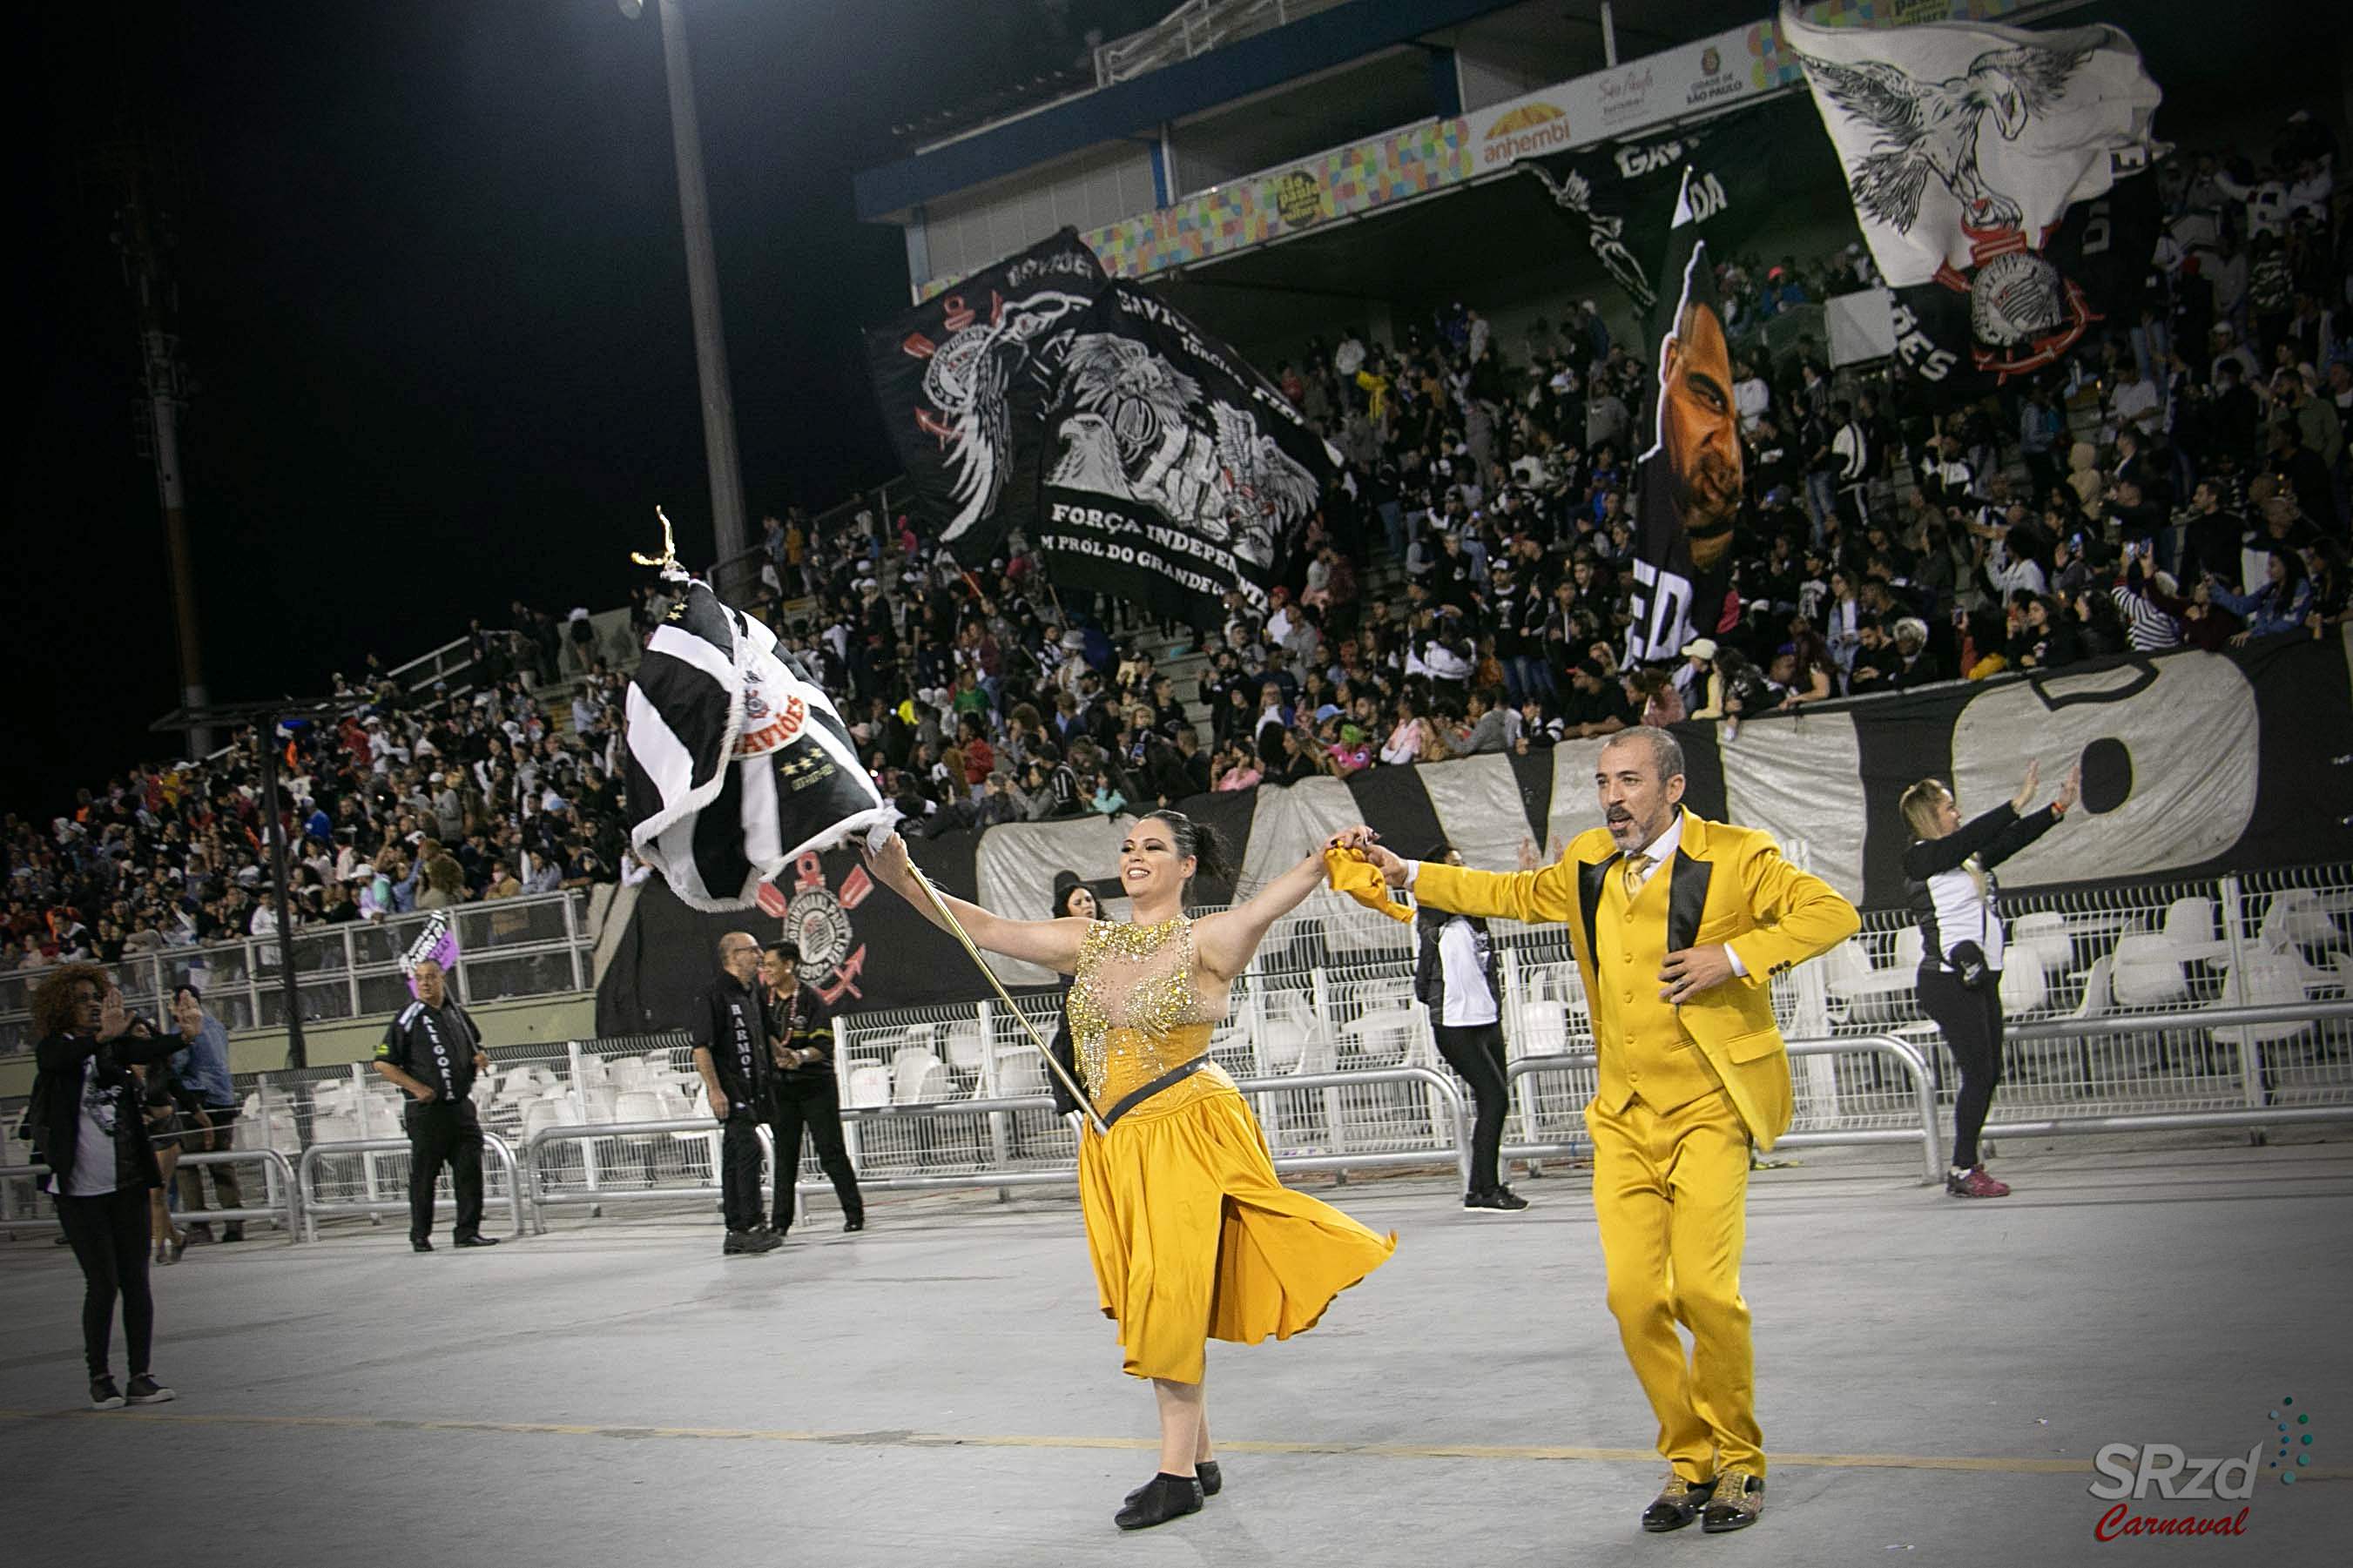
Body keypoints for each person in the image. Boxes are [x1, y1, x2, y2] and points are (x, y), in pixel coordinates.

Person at [1332, 727, 1858, 1536]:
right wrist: (1408, 872)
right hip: (1622, 1116)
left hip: (1709, 1108)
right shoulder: (1584, 863)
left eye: (1631, 780)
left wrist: (1737, 956)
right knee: (1633, 1296)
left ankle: (1740, 1459)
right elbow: (1508, 893)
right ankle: (1690, 1462)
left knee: (1707, 1290)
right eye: (1605, 781)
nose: (1614, 797)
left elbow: (1832, 911)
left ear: (1672, 787)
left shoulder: (1740, 855)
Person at [866, 811, 1395, 1532]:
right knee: (1154, 1296)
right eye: (1128, 846)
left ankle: (1175, 1476)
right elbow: (984, 928)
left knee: (1168, 1294)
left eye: (1153, 846)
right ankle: (1200, 1456)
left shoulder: (1207, 938)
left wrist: (1325, 856)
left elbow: (1278, 895)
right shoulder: (1089, 941)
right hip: (1115, 1143)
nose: (1135, 855)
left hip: (1188, 1129)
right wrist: (903, 880)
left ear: (1185, 866)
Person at [1900, 762, 2079, 1200]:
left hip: (1981, 978)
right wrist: (2016, 802)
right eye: (1949, 807)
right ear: (1930, 815)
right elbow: (1972, 837)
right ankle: (1963, 1168)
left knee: (1989, 1072)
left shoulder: (1963, 858)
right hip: (1947, 981)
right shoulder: (1922, 857)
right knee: (1979, 1072)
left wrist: (2056, 808)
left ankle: (1967, 1164)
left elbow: (2009, 840)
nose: (1956, 814)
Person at [24, 963, 180, 1410]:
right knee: (102, 1282)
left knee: (137, 1281)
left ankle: (141, 1376)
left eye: (98, 997)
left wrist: (185, 1035)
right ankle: (100, 1377)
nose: (93, 1004)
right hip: (77, 1189)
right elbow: (56, 1061)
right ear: (61, 1008)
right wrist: (100, 1038)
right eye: (82, 999)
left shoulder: (113, 1050)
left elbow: (151, 1049)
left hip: (125, 1183)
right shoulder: (55, 1050)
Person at [1412, 845, 1526, 1212]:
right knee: (1495, 1098)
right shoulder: (1434, 916)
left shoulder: (1475, 915)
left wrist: (1525, 873)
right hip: (1455, 1023)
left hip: (1486, 1018)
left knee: (1493, 1100)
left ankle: (1481, 1189)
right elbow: (1424, 978)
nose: (1463, 871)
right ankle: (1485, 1188)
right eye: (1454, 866)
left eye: (1463, 864)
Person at [370, 957, 500, 1252]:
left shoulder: (458, 1014)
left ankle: (467, 1231)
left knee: (469, 1169)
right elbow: (382, 1063)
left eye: (430, 977)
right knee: (425, 1175)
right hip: (428, 1112)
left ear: (442, 978)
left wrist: (479, 1059)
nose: (425, 983)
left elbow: (475, 1048)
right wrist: (416, 1088)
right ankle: (420, 1234)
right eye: (420, 978)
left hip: (460, 1107)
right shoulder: (409, 1016)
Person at [760, 940, 865, 1237]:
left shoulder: (810, 1000)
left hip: (815, 1085)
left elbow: (823, 1045)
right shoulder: (762, 1001)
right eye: (764, 965)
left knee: (830, 1150)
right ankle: (780, 1222)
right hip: (781, 1089)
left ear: (789, 965)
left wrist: (799, 1057)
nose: (765, 970)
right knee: (785, 1155)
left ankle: (853, 1212)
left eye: (770, 964)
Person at [693, 932, 781, 1257]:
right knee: (747, 1152)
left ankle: (737, 1228)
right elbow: (701, 1047)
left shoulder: (752, 992)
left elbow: (766, 1034)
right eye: (752, 950)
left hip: (756, 1088)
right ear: (733, 955)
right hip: (732, 1089)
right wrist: (715, 1091)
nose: (759, 955)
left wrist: (781, 1054)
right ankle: (749, 1223)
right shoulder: (714, 995)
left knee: (737, 1154)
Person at [166, 984, 245, 1243]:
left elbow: (176, 1068)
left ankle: (199, 1226)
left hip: (197, 1106)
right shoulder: (216, 1026)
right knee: (222, 1165)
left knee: (187, 1166)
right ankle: (234, 1225)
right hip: (224, 1102)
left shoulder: (184, 1031)